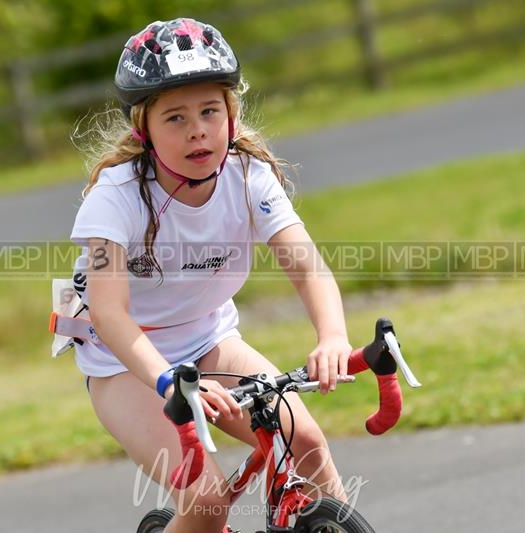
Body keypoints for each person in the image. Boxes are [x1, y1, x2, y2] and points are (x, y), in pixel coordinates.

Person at [69, 17, 352, 532]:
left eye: (209, 111)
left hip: (208, 339)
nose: (197, 128)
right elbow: (108, 315)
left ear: (230, 113)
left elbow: (307, 267)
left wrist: (332, 336)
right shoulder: (115, 199)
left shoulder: (249, 176)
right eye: (174, 118)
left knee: (304, 441)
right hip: (124, 364)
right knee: (207, 501)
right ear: (144, 129)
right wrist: (166, 380)